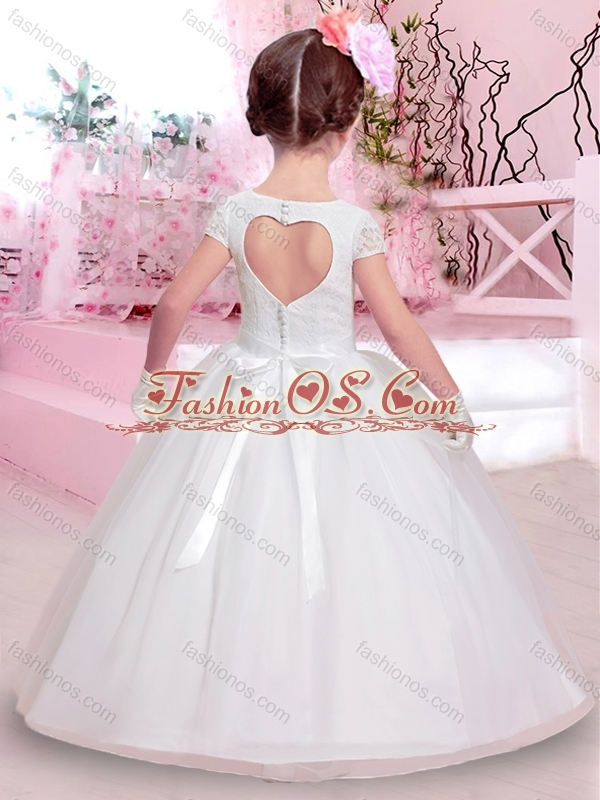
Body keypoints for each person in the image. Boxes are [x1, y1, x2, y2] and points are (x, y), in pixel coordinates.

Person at [12, 11, 594, 784]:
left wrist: (155, 383)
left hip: (242, 390)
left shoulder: (237, 212)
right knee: (376, 544)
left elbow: (175, 302)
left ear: (264, 119)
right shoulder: (351, 224)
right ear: (345, 126)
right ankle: (362, 698)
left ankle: (210, 695)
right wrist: (447, 398)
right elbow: (398, 329)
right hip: (344, 394)